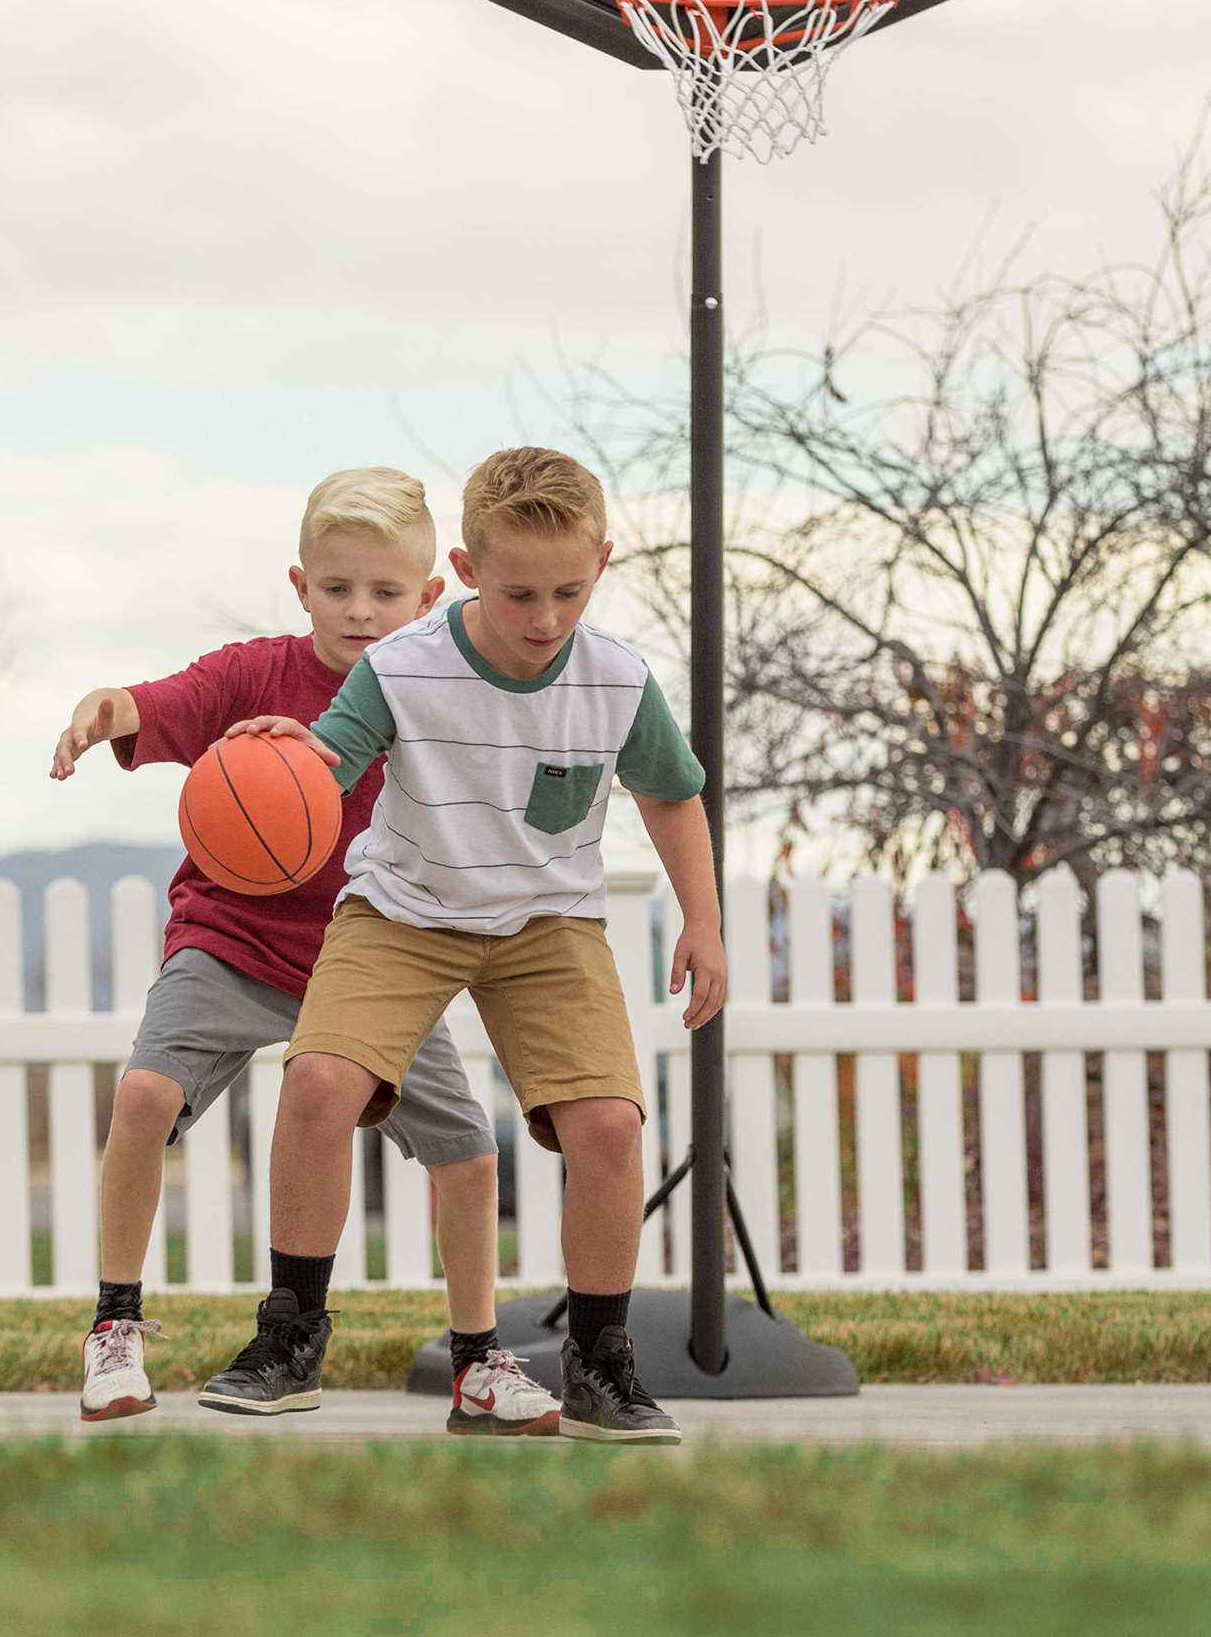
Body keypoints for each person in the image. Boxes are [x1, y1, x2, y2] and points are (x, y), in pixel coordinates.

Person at [213, 446, 727, 1443]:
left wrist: (701, 922)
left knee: (612, 1125)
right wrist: (287, 758)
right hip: (404, 906)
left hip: (545, 921)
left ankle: (601, 1363)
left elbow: (670, 792)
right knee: (316, 1080)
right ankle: (288, 1339)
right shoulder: (402, 664)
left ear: (603, 560)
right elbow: (328, 762)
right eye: (518, 591)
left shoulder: (616, 679)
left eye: (567, 591)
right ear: (466, 565)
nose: (543, 617)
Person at [50, 465, 557, 1436]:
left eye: (385, 591)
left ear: (428, 595)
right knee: (143, 1096)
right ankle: (115, 1326)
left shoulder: (435, 697)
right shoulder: (255, 675)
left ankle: (477, 1359)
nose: (360, 609)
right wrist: (100, 709)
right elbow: (151, 702)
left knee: (466, 1152)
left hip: (372, 957)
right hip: (231, 937)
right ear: (300, 585)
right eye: (337, 588)